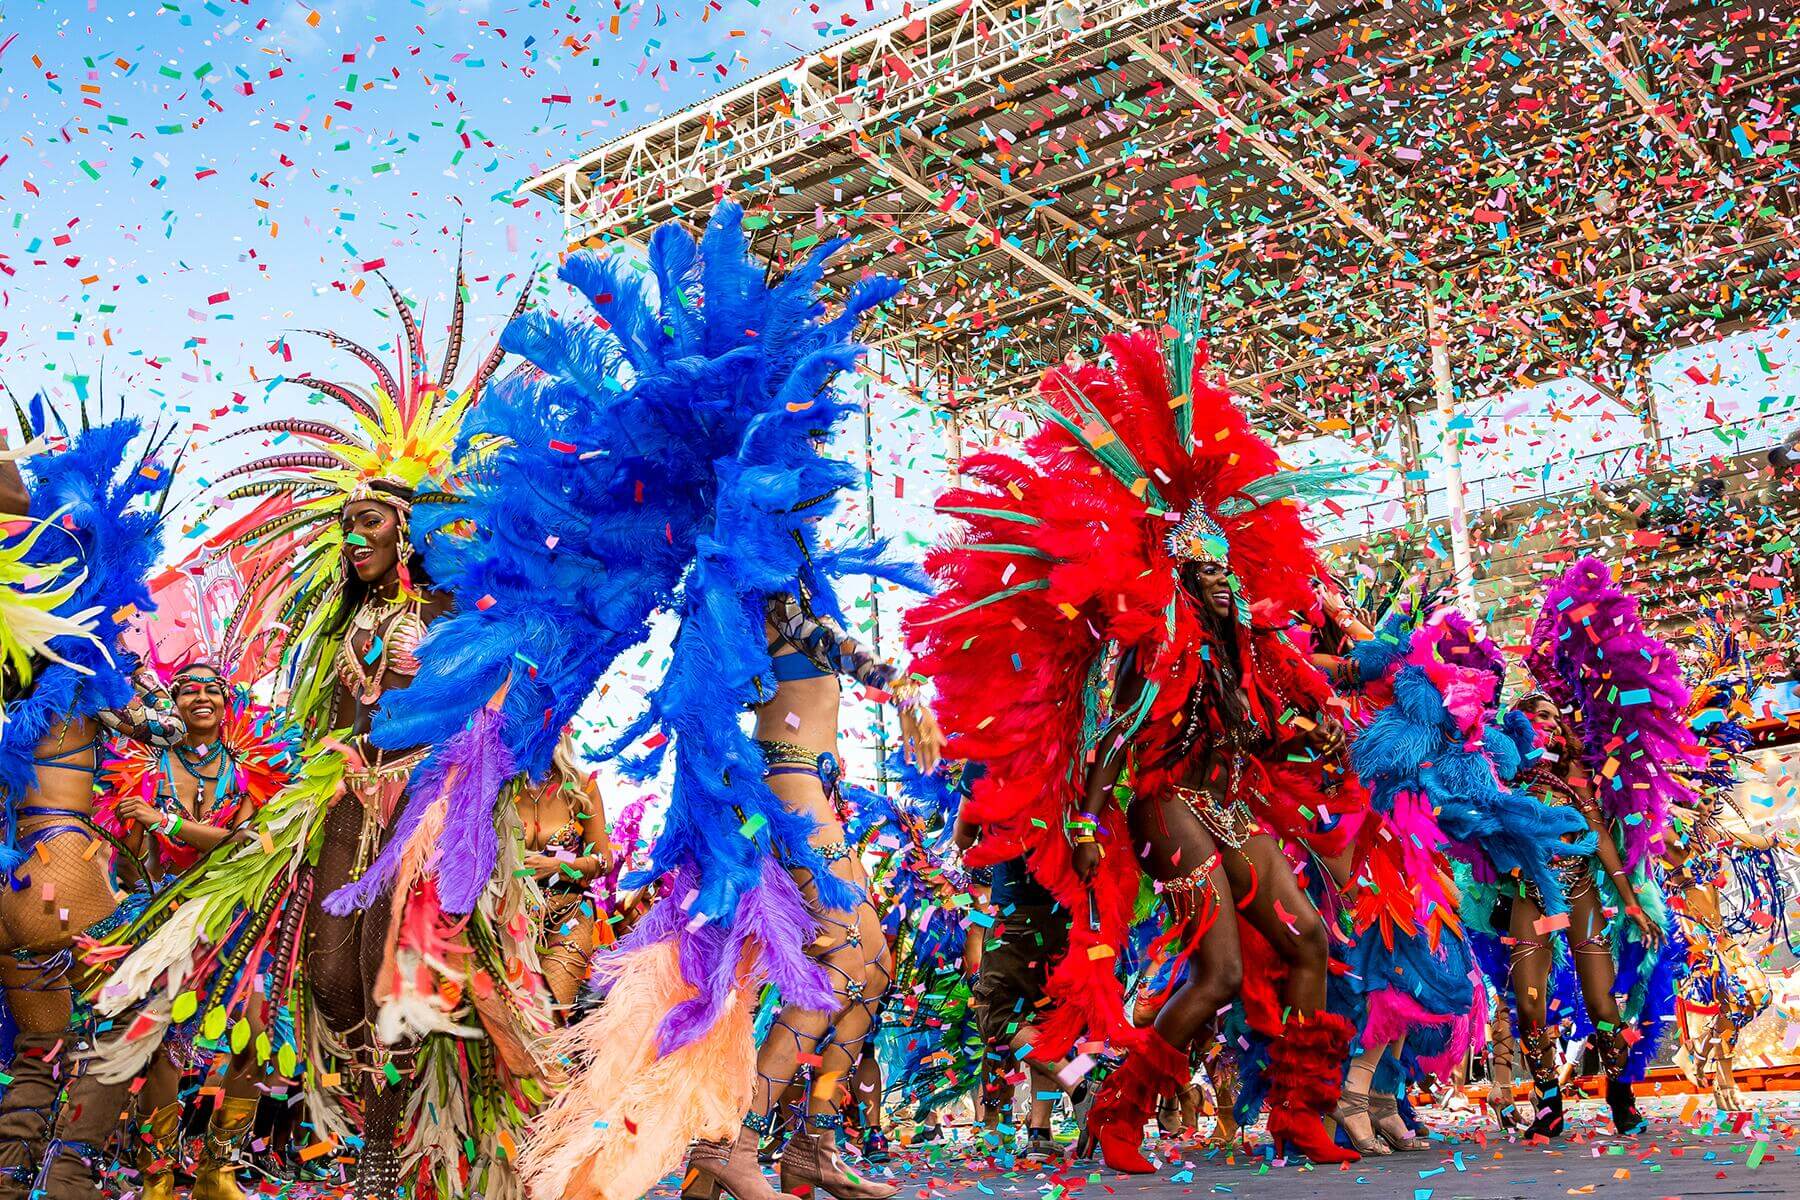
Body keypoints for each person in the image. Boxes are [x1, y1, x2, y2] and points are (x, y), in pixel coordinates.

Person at [79, 272, 549, 1200]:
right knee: (332, 979)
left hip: (425, 809)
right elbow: (332, 718)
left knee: (404, 988)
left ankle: (389, 1163)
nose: (349, 537)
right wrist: (324, 771)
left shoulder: (451, 607)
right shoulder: (345, 627)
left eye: (367, 520)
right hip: (343, 802)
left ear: (409, 526)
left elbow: (497, 697)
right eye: (340, 525)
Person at [906, 329, 1372, 1173]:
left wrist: (1318, 727)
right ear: (1180, 567)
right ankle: (1117, 1112)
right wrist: (1085, 818)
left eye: (1229, 561)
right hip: (1165, 804)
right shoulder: (1149, 636)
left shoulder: (1250, 643)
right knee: (1221, 972)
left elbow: (1264, 724)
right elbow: (1110, 732)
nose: (1223, 576)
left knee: (1307, 941)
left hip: (1229, 804)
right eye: (1206, 564)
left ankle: (1304, 1115)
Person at [0, 402, 182, 1200]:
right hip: (52, 866)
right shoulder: (79, 653)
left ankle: (15, 1169)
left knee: (39, 1046)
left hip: (35, 862)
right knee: (149, 988)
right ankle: (67, 1170)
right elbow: (158, 721)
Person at [89, 661, 297, 1200]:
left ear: (227, 701)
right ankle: (157, 1173)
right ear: (172, 704)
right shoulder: (143, 766)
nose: (200, 696)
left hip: (234, 919)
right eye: (187, 689)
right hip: (162, 919)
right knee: (153, 1042)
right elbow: (130, 856)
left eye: (212, 688)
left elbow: (240, 845)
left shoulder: (253, 768)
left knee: (258, 1038)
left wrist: (167, 822)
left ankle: (218, 1171)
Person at [1515, 556, 1693, 1139]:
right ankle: (1548, 1105)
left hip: (1585, 892)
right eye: (1532, 716)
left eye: (1550, 714)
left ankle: (1620, 1095)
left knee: (1603, 1004)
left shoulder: (1582, 779)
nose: (1544, 721)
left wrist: (1633, 902)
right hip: (1528, 897)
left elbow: (1605, 848)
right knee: (1532, 1004)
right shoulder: (1501, 776)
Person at [516, 731, 611, 1015]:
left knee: (548, 1019)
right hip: (511, 920)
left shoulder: (582, 787)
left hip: (566, 919)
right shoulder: (502, 787)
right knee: (506, 1024)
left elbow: (604, 860)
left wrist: (558, 865)